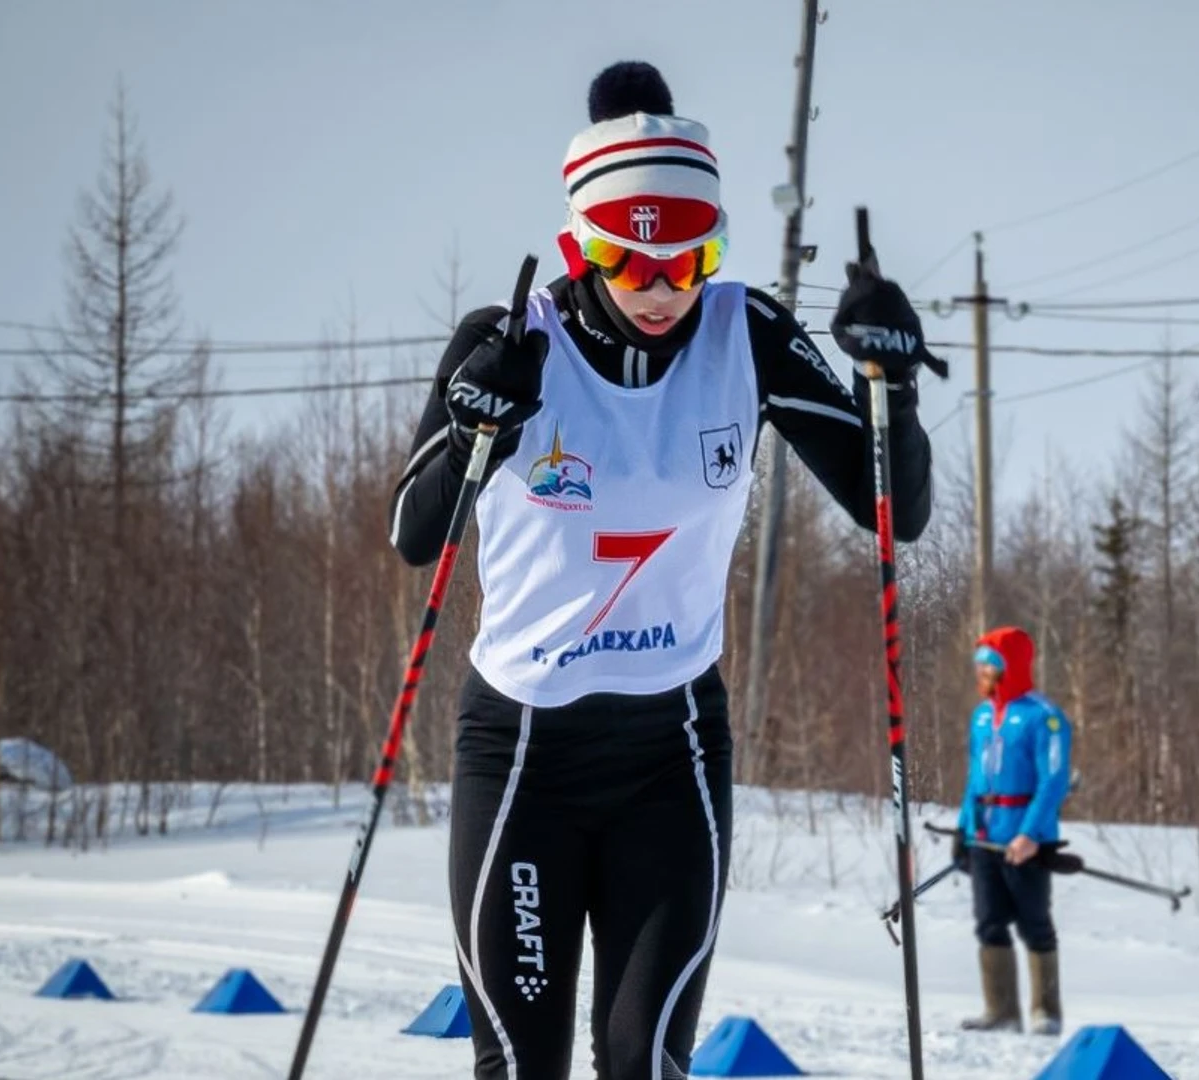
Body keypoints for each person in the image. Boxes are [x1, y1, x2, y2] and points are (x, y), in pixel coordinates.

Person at [387, 61, 942, 1080]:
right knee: (521, 1066)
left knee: (647, 1064)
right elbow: (415, 535)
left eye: (688, 264)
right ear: (581, 248)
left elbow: (892, 510)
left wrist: (891, 384)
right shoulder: (513, 344)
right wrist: (475, 422)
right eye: (628, 262)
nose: (659, 290)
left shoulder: (749, 336)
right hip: (522, 756)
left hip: (672, 752)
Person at [952, 625, 1073, 1035]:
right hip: (985, 836)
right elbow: (974, 776)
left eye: (988, 665)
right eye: (979, 665)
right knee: (989, 921)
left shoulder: (1045, 717)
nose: (981, 672)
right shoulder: (982, 716)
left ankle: (1045, 1011)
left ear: (1010, 668)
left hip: (1024, 839)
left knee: (1034, 922)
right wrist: (963, 829)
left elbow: (1053, 780)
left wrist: (1030, 834)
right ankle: (1001, 1011)